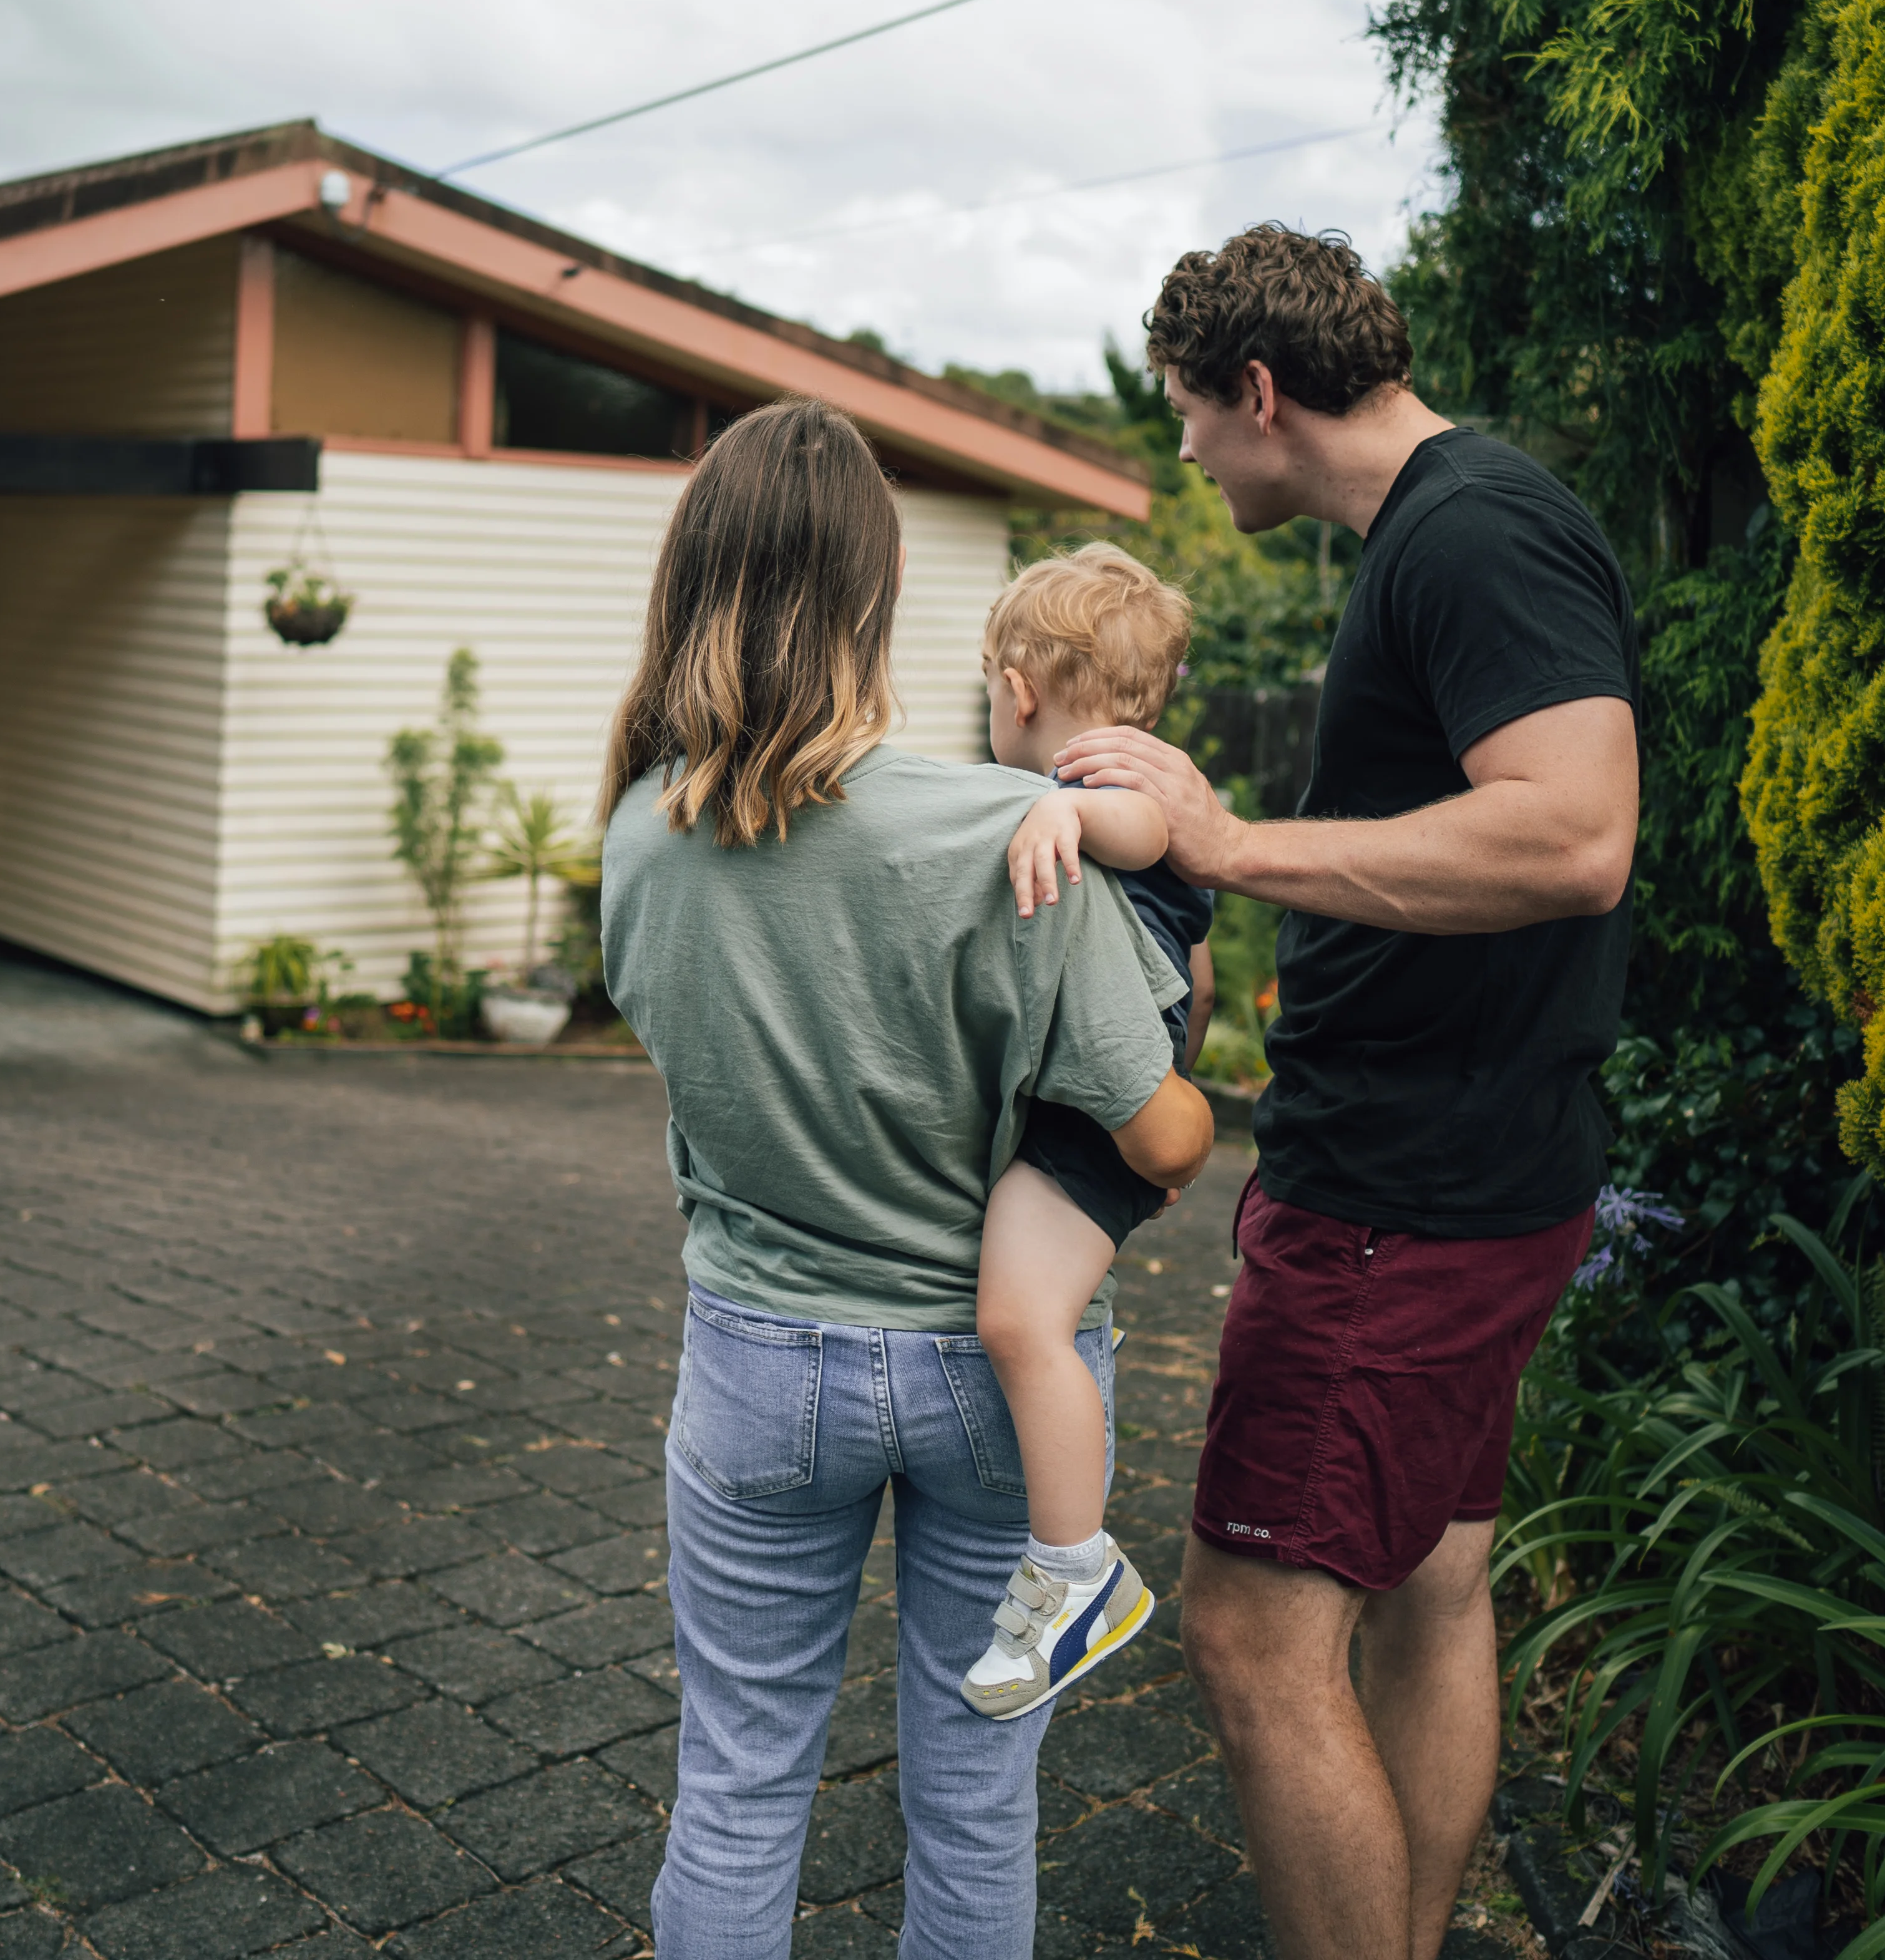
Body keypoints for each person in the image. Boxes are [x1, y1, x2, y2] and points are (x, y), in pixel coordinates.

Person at [1055, 225, 1641, 1960]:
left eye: (1184, 414)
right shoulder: (1450, 527)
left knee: (1247, 1632)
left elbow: (1575, 831)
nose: (1177, 453)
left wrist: (1232, 846)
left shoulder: (1470, 531)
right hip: (1478, 1174)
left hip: (1403, 1195)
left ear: (1258, 392)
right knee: (1436, 1582)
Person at [601, 398, 1215, 1960]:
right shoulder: (1018, 830)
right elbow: (1150, 1132)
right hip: (991, 1380)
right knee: (975, 1800)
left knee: (736, 1790)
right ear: (875, 597)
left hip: (754, 1364)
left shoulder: (637, 837)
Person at [960, 542, 1217, 1719]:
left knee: (1021, 1319)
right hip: (1091, 1114)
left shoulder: (1119, 793)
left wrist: (1064, 806)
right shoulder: (1087, 789)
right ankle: (1068, 1564)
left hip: (1088, 1127)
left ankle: (1078, 1571)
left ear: (1017, 687)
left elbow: (1152, 837)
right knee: (1025, 1317)